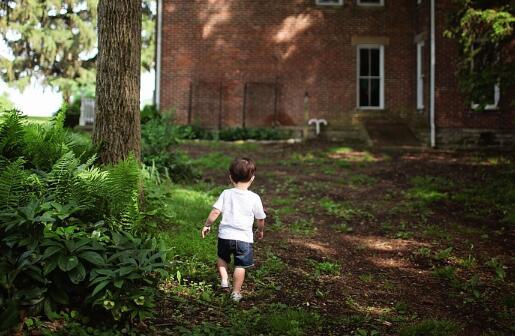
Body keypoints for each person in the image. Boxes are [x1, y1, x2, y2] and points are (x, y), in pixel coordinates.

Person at [201, 157, 266, 302]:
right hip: (244, 239)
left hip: (225, 236)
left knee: (222, 258)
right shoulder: (254, 197)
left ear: (231, 177)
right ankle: (236, 293)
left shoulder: (226, 193)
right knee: (240, 265)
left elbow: (215, 212)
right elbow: (260, 218)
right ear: (252, 179)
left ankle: (224, 280)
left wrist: (207, 225)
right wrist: (260, 230)